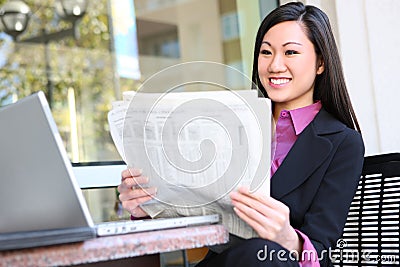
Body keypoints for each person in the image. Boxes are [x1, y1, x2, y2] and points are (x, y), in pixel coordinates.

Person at [117, 2, 365, 266]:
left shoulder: (342, 143)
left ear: (320, 63)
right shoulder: (231, 124)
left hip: (270, 262)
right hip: (222, 260)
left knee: (261, 254)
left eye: (290, 52)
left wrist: (288, 238)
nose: (275, 65)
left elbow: (322, 248)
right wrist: (145, 208)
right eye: (266, 52)